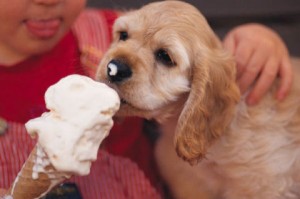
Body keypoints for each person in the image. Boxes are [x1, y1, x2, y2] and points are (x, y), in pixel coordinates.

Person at [0, 0, 293, 198]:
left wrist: (259, 38)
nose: (50, 0)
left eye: (164, 57)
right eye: (124, 35)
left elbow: (201, 46)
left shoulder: (102, 29)